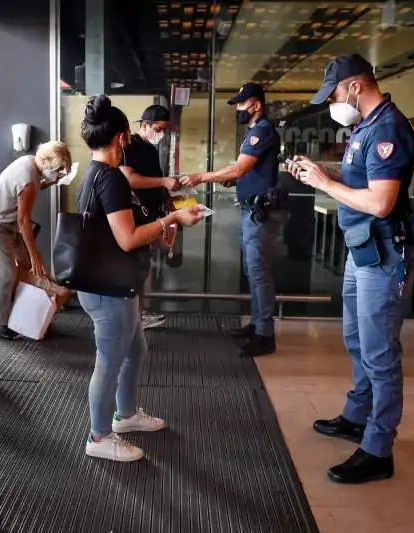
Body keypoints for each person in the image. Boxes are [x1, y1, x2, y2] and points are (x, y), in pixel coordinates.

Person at [290, 53, 414, 484]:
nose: (333, 102)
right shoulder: (366, 127)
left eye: (334, 93)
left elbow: (381, 202)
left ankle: (378, 449)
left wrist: (326, 184)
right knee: (357, 340)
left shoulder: (387, 128)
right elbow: (361, 179)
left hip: (383, 252)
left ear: (354, 86)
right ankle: (357, 415)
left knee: (380, 353)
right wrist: (320, 172)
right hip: (361, 248)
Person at [76, 95, 203, 462]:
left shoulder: (99, 173)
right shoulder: (110, 178)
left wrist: (166, 222)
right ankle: (99, 437)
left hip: (113, 282)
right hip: (107, 288)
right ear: (121, 138)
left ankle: (126, 415)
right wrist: (171, 221)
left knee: (135, 349)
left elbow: (129, 227)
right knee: (110, 360)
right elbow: (127, 238)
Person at [182, 82, 282, 357]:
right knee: (253, 272)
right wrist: (233, 180)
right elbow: (247, 171)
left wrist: (202, 176)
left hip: (260, 215)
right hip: (251, 211)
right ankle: (257, 324)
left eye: (241, 103)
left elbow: (240, 167)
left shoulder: (261, 131)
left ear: (256, 105)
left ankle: (265, 334)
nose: (238, 108)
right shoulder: (253, 132)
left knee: (259, 273)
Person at [0, 141, 71, 340]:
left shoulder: (30, 163)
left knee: (24, 271)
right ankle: (0, 324)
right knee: (5, 274)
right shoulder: (28, 178)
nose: (58, 172)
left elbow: (28, 192)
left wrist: (49, 182)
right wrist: (35, 255)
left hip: (9, 226)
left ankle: (24, 317)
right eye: (57, 169)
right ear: (47, 162)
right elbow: (23, 221)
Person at [120, 104, 179, 330]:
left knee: (143, 267)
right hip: (134, 217)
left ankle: (140, 313)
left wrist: (169, 198)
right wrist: (164, 182)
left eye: (164, 130)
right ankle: (134, 317)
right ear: (144, 125)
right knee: (135, 268)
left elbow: (154, 182)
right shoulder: (129, 146)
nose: (161, 134)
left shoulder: (151, 150)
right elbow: (131, 179)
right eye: (158, 128)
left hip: (151, 216)